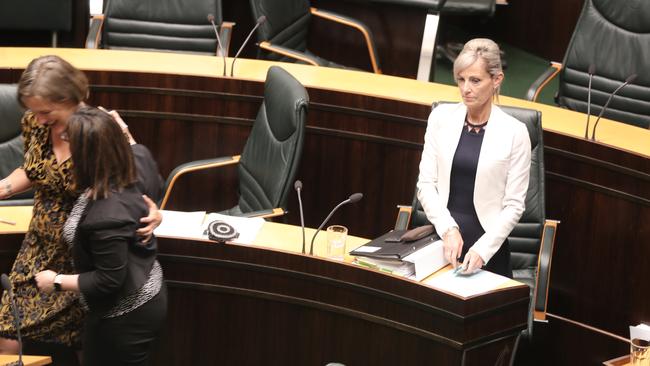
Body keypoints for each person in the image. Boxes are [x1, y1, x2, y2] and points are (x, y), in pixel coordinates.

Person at [0, 55, 162, 361]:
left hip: (88, 248)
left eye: (46, 112)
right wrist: (3, 187)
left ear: (72, 99)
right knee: (8, 327)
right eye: (32, 111)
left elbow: (135, 178)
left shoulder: (99, 129)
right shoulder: (34, 121)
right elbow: (34, 170)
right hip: (41, 242)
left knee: (83, 338)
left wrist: (153, 211)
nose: (38, 119)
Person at [35, 106, 167, 366]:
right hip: (144, 286)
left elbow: (109, 280)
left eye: (70, 144)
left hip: (125, 312)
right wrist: (120, 130)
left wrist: (56, 281)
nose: (64, 151)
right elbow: (137, 151)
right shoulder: (134, 161)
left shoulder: (106, 215)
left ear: (88, 156)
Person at [416, 38, 531, 277]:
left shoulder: (515, 132)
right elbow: (426, 185)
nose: (466, 88)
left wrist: (482, 250)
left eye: (475, 80)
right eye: (461, 79)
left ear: (496, 80)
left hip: (488, 249)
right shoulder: (440, 118)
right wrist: (448, 230)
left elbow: (514, 205)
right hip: (441, 240)